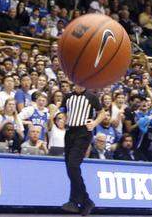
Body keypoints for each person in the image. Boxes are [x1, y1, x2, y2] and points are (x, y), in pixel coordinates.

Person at [63, 85, 106, 215]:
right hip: (70, 131)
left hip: (83, 132)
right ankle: (76, 201)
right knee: (70, 168)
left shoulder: (91, 97)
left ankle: (84, 200)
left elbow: (102, 113)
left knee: (73, 166)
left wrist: (94, 123)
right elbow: (65, 111)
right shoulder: (68, 96)